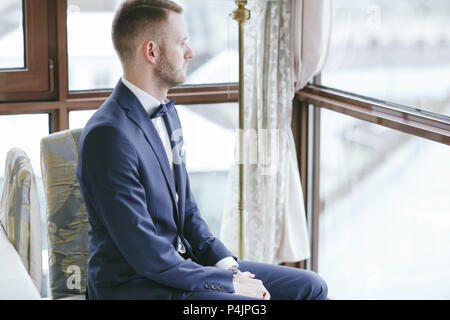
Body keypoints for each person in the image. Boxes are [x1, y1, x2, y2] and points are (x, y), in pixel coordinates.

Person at [76, 0, 327, 300]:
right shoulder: (108, 137)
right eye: (182, 42)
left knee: (311, 287)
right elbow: (145, 254)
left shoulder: (166, 112)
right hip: (137, 287)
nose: (190, 52)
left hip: (182, 268)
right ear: (152, 51)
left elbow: (188, 212)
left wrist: (228, 267)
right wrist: (226, 284)